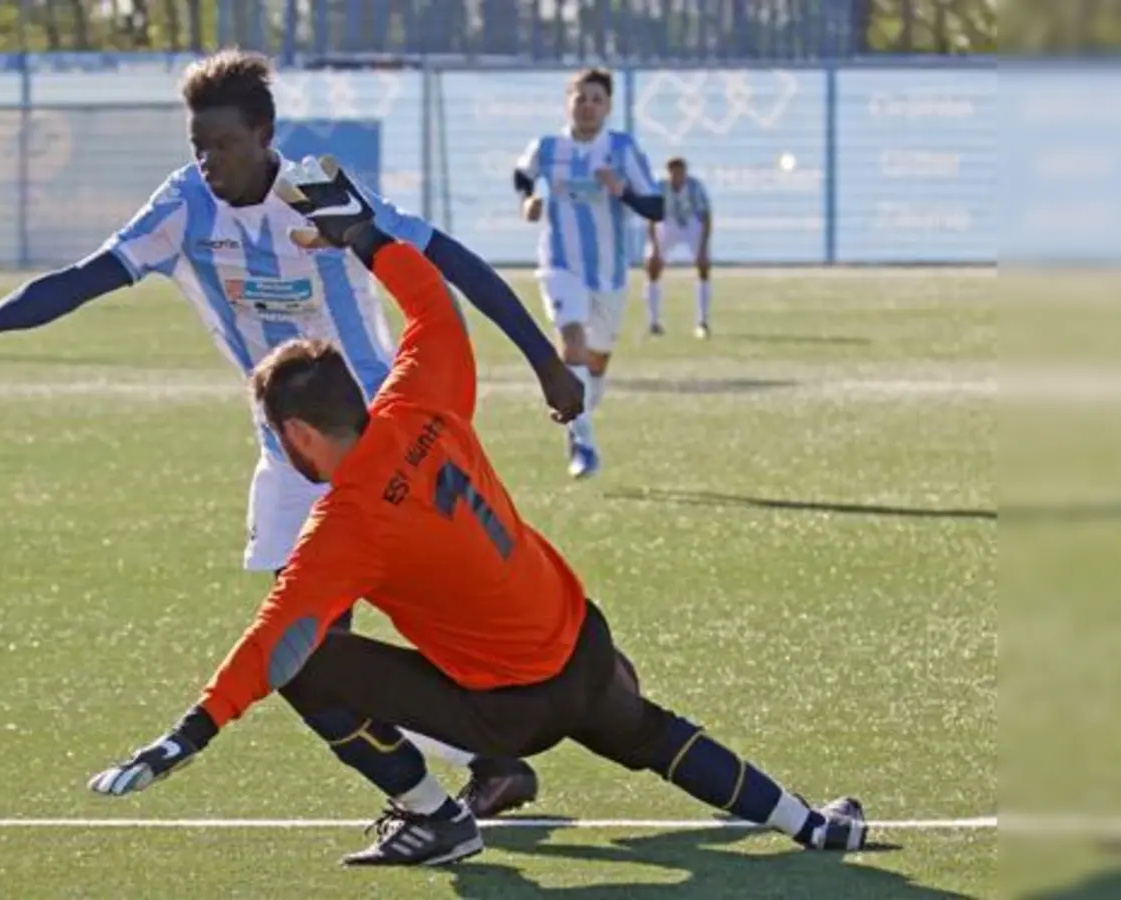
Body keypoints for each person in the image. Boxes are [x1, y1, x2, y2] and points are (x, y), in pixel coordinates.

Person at [87, 157, 869, 867]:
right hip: (582, 643)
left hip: (509, 715)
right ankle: (813, 825)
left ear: (296, 434)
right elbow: (431, 302)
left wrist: (187, 734)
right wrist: (363, 236)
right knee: (651, 733)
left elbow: (271, 643)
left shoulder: (344, 527)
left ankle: (435, 818)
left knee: (311, 665)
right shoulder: (420, 396)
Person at [0, 50, 577, 816]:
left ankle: (457, 780)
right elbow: (88, 276)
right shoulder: (183, 206)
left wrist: (546, 360)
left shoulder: (318, 192)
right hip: (290, 454)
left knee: (333, 643)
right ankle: (480, 768)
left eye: (224, 144)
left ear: (265, 136)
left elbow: (449, 262)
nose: (209, 161)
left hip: (379, 440)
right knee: (310, 648)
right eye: (198, 146)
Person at [514, 67, 664, 479]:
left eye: (596, 99)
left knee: (595, 362)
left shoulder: (622, 150)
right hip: (560, 265)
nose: (588, 106)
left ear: (608, 106)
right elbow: (523, 175)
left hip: (609, 274)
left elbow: (656, 207)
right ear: (568, 102)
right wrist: (528, 200)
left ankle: (582, 411)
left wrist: (622, 190)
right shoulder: (548, 148)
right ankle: (584, 444)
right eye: (580, 98)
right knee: (572, 340)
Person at [645, 156, 716, 339]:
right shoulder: (660, 187)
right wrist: (654, 247)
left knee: (703, 267)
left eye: (681, 171)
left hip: (691, 224)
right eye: (673, 171)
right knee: (652, 267)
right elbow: (651, 218)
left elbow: (706, 216)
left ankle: (703, 321)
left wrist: (703, 248)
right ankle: (654, 323)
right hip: (668, 224)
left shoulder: (695, 187)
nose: (677, 175)